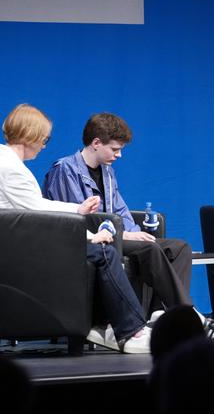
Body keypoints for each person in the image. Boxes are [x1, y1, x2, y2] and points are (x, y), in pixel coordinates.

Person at [43, 112, 214, 341]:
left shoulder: (107, 173)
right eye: (115, 149)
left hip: (117, 235)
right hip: (92, 241)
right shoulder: (65, 170)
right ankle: (191, 318)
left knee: (179, 248)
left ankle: (159, 315)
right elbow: (80, 219)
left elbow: (120, 210)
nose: (119, 155)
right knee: (150, 249)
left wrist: (135, 233)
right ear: (96, 143)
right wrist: (125, 233)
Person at [0, 103, 151, 353]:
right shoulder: (13, 170)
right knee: (103, 251)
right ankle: (131, 330)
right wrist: (91, 236)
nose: (44, 145)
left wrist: (77, 210)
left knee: (100, 250)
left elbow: (36, 206)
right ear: (31, 136)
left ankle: (115, 325)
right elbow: (38, 216)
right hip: (22, 249)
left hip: (17, 243)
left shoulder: (5, 161)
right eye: (44, 139)